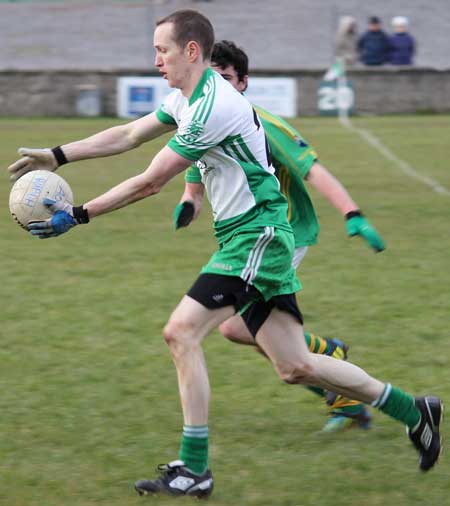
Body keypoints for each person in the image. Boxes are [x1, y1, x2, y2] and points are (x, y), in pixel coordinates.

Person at [7, 9, 442, 499]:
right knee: (295, 365)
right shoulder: (186, 98)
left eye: (162, 50)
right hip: (251, 237)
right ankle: (413, 410)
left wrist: (80, 214)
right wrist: (59, 154)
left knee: (180, 332)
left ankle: (194, 467)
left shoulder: (214, 106)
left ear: (192, 51)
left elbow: (152, 180)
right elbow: (129, 134)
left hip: (256, 237)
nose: (156, 61)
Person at [176, 39, 383, 433]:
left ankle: (335, 370)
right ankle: (337, 378)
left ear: (243, 83)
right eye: (211, 77)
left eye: (226, 78)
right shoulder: (205, 121)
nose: (217, 85)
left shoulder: (264, 123)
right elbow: (195, 170)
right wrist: (189, 201)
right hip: (245, 237)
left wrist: (352, 214)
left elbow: (312, 169)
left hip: (282, 232)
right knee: (245, 331)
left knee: (236, 327)